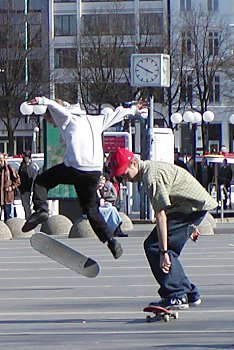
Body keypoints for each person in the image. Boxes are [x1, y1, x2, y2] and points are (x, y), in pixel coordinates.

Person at [22, 97, 143, 259]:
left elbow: (55, 107)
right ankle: (111, 242)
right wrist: (133, 110)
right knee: (91, 210)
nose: (54, 125)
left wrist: (41, 100)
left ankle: (41, 211)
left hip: (75, 169)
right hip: (94, 172)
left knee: (42, 181)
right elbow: (117, 114)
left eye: (51, 121)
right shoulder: (96, 120)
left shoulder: (67, 117)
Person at [109, 148, 218, 309]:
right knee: (162, 247)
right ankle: (189, 293)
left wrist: (163, 252)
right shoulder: (150, 169)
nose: (124, 178)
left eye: (125, 173)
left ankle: (176, 295)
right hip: (191, 207)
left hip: (190, 209)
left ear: (134, 163)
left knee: (154, 246)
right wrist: (190, 226)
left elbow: (161, 215)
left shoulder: (151, 176)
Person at [0, 153, 21, 221]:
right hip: (0, 197)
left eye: (1, 160)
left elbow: (17, 181)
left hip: (8, 197)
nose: (0, 163)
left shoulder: (10, 169)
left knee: (9, 218)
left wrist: (11, 187)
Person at [18, 150, 38, 219]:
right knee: (25, 204)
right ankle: (28, 216)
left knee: (27, 204)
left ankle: (29, 217)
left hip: (28, 188)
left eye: (26, 157)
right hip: (23, 188)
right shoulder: (22, 166)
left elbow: (32, 177)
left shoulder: (32, 166)